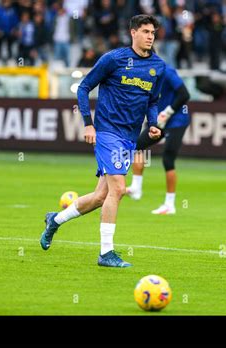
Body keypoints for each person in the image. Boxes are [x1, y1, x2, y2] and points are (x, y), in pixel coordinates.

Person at [39, 14, 166, 268]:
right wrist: (88, 123)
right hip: (108, 133)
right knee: (118, 189)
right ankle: (106, 253)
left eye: (153, 32)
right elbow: (85, 86)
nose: (150, 36)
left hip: (129, 138)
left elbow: (152, 101)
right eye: (145, 31)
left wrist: (152, 124)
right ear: (133, 33)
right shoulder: (114, 59)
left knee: (101, 196)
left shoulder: (158, 67)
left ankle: (55, 220)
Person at [126, 64, 190, 215]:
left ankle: (170, 204)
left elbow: (184, 94)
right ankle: (136, 187)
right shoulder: (144, 73)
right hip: (159, 121)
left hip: (176, 121)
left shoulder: (166, 71)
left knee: (168, 159)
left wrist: (167, 112)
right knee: (137, 145)